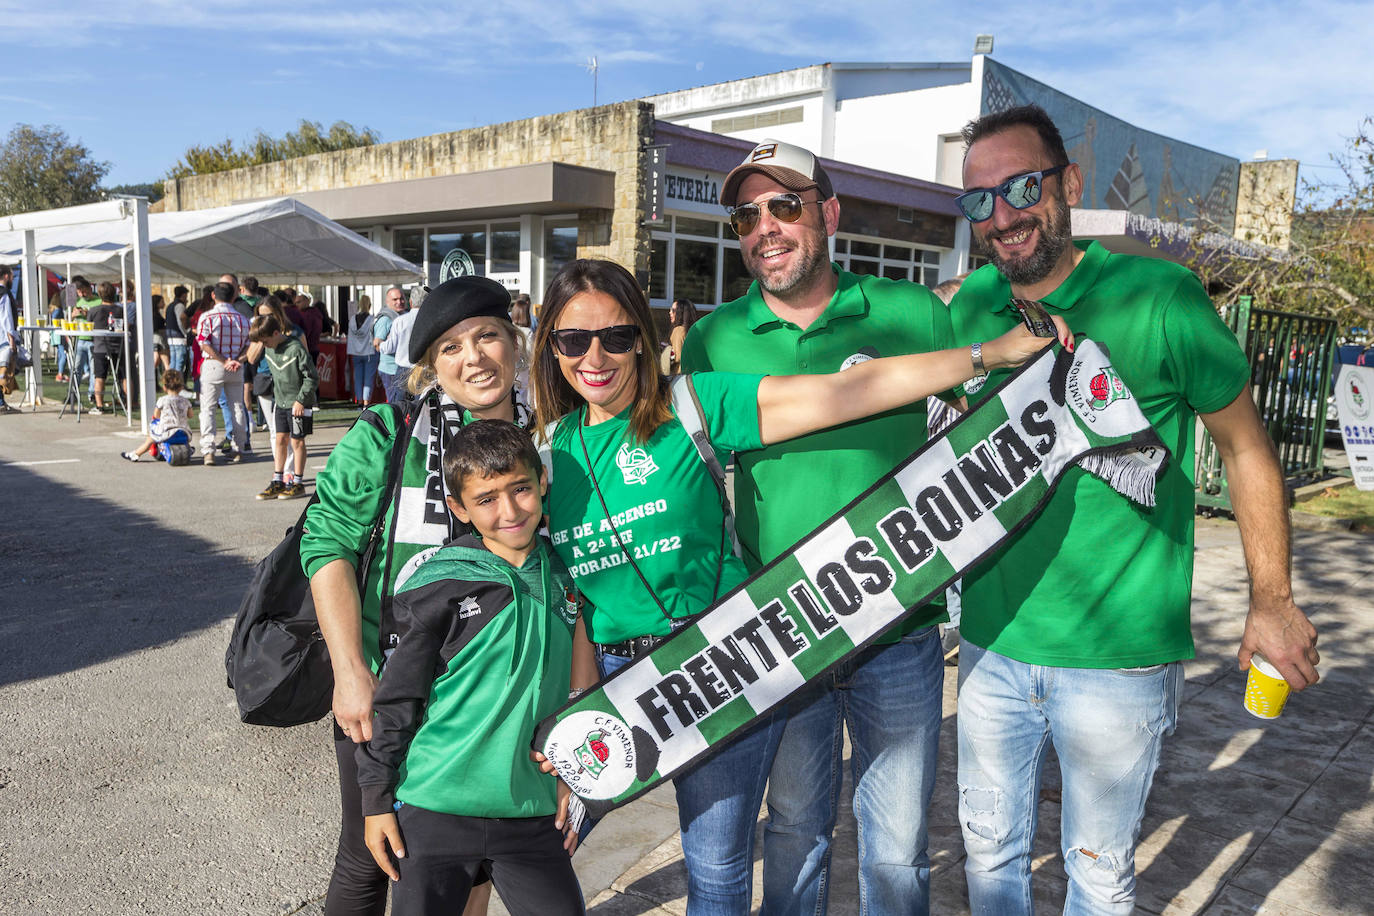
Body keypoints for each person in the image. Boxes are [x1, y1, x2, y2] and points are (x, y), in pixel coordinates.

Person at [532, 258, 1066, 916]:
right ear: (550, 345)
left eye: (615, 336)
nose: (596, 356)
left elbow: (851, 390)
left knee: (716, 866)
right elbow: (558, 594)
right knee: (536, 854)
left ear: (642, 337)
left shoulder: (695, 403)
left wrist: (989, 353)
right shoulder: (543, 455)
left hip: (717, 663)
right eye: (573, 339)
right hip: (614, 677)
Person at [948, 103, 1320, 914]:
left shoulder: (1160, 295)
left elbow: (1247, 450)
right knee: (988, 858)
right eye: (979, 200)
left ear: (1068, 183)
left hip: (1117, 662)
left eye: (1021, 186)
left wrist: (1273, 600)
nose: (1002, 215)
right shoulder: (971, 309)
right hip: (989, 646)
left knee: (1100, 873)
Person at [679, 139, 955, 916]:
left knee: (898, 846)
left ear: (828, 213)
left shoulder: (912, 312)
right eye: (746, 214)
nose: (765, 226)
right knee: (795, 829)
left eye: (785, 205)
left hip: (900, 630)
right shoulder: (712, 338)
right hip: (784, 632)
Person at [301, 275, 534, 916]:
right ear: (430, 364)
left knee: (473, 860)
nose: (474, 358)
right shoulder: (390, 431)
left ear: (514, 343)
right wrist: (350, 671)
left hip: (494, 698)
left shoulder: (548, 440)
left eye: (487, 336)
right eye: (452, 347)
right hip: (389, 685)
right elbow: (326, 545)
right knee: (370, 854)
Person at [358, 419, 593, 916]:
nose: (509, 510)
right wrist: (376, 799)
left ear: (541, 482)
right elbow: (399, 698)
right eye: (486, 499)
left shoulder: (569, 572)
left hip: (530, 812)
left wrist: (577, 774)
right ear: (460, 509)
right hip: (435, 808)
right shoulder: (440, 582)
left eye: (521, 489)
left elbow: (581, 690)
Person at [250, 314, 318, 500]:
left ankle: (297, 482)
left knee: (297, 442)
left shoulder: (295, 348)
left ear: (276, 333)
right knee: (279, 439)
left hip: (298, 403)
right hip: (280, 403)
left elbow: (312, 377)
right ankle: (278, 480)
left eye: (265, 341)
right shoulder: (269, 350)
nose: (264, 345)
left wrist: (301, 400)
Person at [196, 281, 250, 465]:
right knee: (237, 407)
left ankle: (208, 450)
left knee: (208, 408)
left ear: (213, 295)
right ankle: (239, 447)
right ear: (234, 296)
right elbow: (248, 346)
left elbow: (203, 342)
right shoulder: (242, 319)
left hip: (214, 365)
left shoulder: (207, 317)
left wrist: (223, 360)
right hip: (235, 365)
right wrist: (236, 360)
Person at [120, 369, 192, 462]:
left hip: (167, 433)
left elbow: (156, 415)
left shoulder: (162, 400)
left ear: (164, 387)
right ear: (181, 387)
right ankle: (188, 449)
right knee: (181, 427)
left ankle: (136, 454)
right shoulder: (186, 401)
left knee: (151, 436)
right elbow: (190, 415)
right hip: (184, 433)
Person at [87, 282, 126, 416]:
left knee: (99, 377)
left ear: (99, 294)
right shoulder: (120, 310)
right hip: (118, 346)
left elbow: (89, 327)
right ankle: (127, 402)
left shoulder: (93, 310)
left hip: (100, 347)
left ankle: (99, 405)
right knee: (123, 376)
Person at [374, 286, 408, 404]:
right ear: (387, 302)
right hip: (391, 370)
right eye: (395, 300)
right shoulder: (385, 320)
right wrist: (396, 343)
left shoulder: (405, 316)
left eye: (402, 299)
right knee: (395, 405)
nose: (399, 302)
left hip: (405, 369)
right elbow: (377, 345)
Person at [347, 295, 379, 405]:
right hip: (369, 352)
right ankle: (366, 402)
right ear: (369, 305)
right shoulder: (372, 320)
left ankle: (360, 401)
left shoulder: (352, 319)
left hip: (356, 352)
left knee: (358, 378)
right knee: (368, 379)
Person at [661, 297, 698, 375]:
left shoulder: (679, 330)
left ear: (681, 313)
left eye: (673, 310)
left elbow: (677, 357)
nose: (670, 312)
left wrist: (666, 350)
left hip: (679, 375)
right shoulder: (693, 330)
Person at [0, 266, 16, 414]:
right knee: (4, 372)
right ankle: (0, 403)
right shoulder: (4, 293)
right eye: (12, 276)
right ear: (5, 276)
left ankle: (1, 403)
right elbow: (6, 318)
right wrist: (12, 339)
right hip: (2, 338)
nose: (13, 279)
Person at [167, 285, 190, 379]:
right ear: (183, 295)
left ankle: (170, 382)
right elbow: (181, 321)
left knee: (173, 361)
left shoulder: (170, 305)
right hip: (178, 336)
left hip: (170, 336)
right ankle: (177, 383)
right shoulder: (179, 305)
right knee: (179, 362)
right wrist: (186, 333)